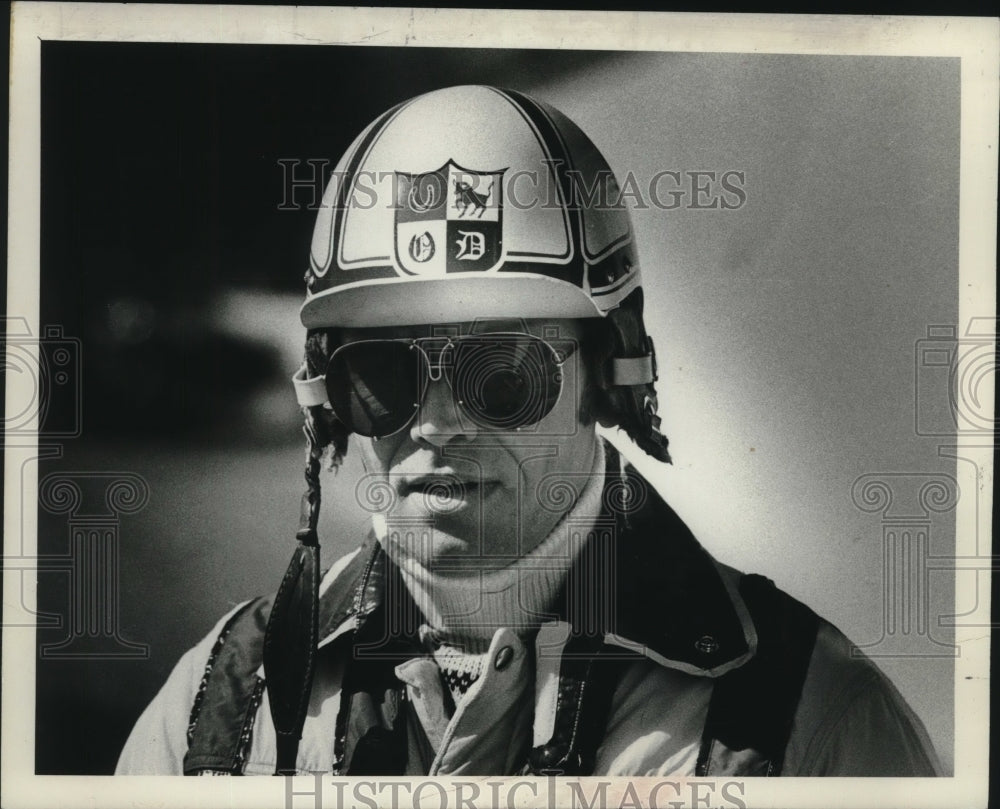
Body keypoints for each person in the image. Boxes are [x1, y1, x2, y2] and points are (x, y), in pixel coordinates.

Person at [116, 84, 942, 777]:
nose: (438, 423)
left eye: (502, 375)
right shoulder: (217, 707)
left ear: (609, 379)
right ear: (330, 399)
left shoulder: (811, 722)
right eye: (385, 377)